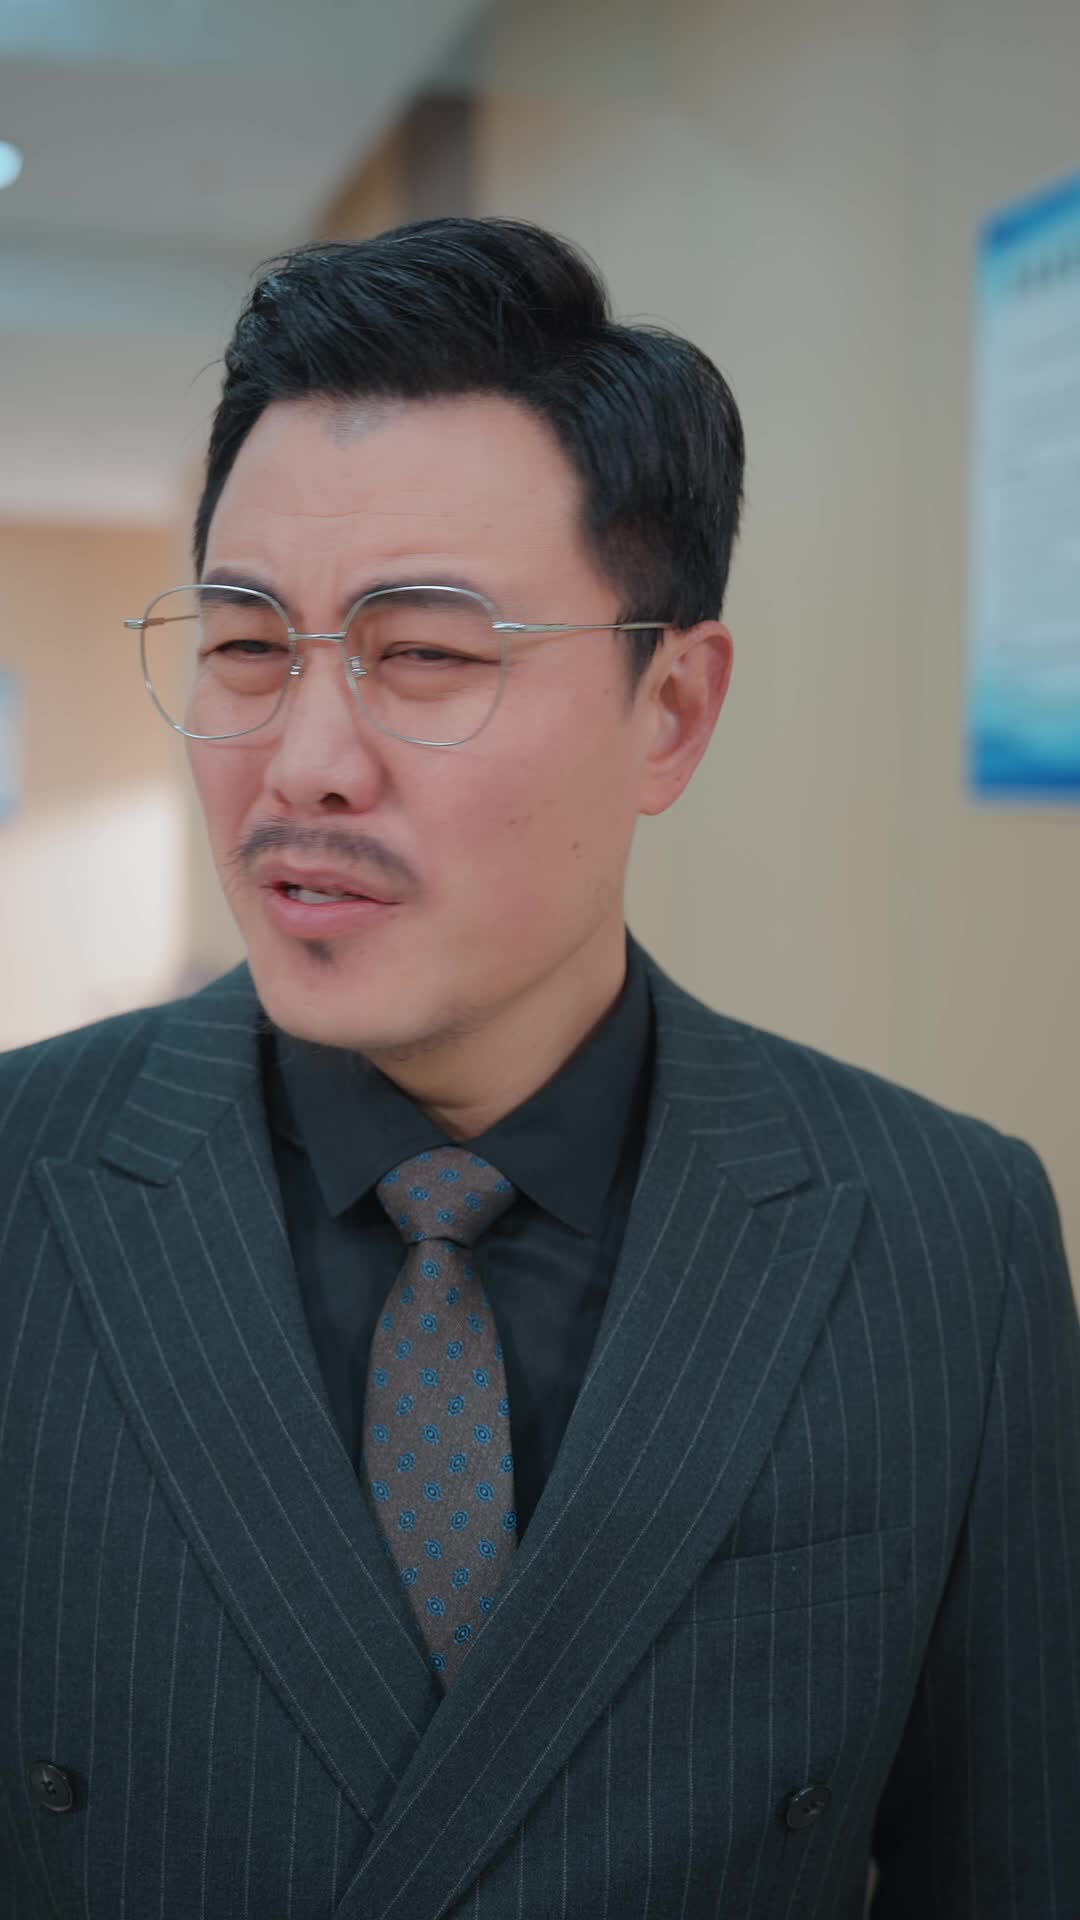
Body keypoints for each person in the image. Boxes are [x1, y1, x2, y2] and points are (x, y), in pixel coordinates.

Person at [1, 216, 1076, 1920]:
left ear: (673, 711)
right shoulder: (20, 1181)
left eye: (426, 653)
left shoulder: (946, 1235)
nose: (305, 761)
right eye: (248, 644)